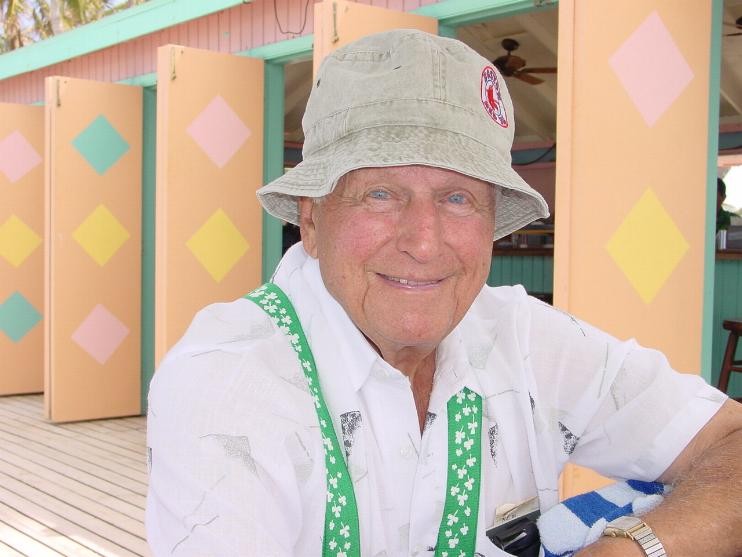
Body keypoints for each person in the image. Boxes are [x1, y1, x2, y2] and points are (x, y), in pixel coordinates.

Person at [145, 29, 741, 557]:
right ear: (312, 218)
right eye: (381, 194)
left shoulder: (523, 337)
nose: (424, 243)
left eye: (458, 199)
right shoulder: (227, 381)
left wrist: (633, 549)